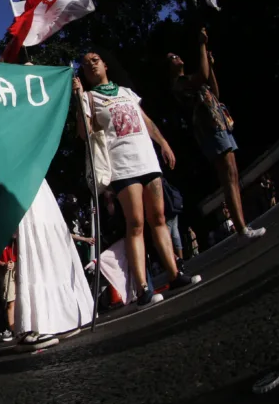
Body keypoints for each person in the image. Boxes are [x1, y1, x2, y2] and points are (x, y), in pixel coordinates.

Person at [74, 51, 201, 308]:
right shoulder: (88, 97)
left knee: (159, 218)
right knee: (136, 223)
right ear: (84, 74)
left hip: (147, 160)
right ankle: (143, 287)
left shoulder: (127, 92)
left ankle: (175, 274)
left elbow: (146, 121)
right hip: (122, 165)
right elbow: (84, 134)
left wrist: (163, 143)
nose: (91, 63)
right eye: (86, 63)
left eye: (95, 58)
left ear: (106, 64)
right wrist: (78, 99)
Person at [168, 30, 265, 240]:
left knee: (233, 174)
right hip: (210, 130)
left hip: (220, 124)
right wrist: (202, 45)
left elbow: (213, 90)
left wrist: (210, 65)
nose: (176, 58)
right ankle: (241, 228)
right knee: (228, 176)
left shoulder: (192, 81)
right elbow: (201, 76)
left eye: (176, 55)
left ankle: (243, 224)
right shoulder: (180, 84)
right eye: (171, 58)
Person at [14, 179, 94, 348]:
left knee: (49, 235)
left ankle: (59, 319)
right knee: (33, 236)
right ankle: (30, 326)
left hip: (35, 177)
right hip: (18, 178)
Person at [162, 176, 186, 263]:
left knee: (166, 237)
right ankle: (180, 257)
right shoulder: (165, 182)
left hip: (166, 213)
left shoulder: (158, 185)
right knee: (175, 233)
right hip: (173, 209)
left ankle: (175, 259)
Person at [0, 239, 17, 340]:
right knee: (10, 301)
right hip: (6, 270)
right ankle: (13, 330)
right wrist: (3, 264)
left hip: (19, 265)